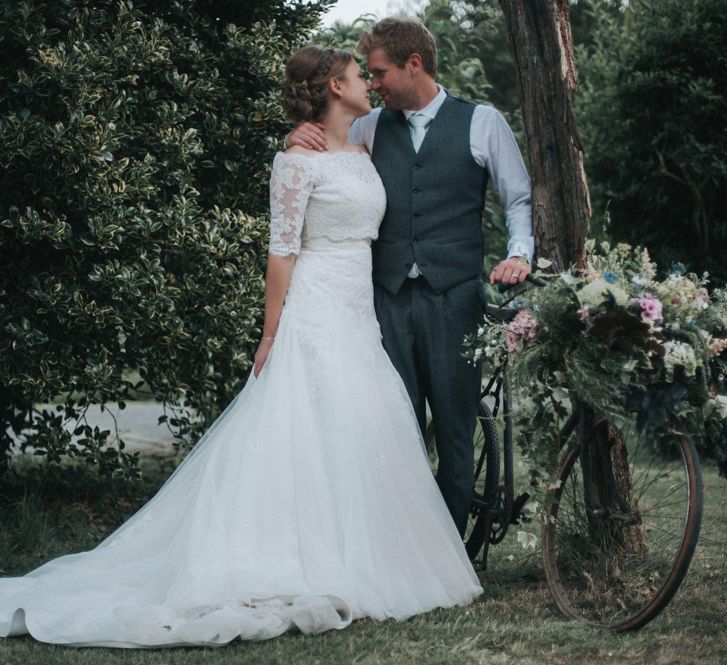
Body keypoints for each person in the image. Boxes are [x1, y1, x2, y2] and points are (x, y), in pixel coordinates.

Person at [0, 46, 482, 648]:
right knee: (304, 432)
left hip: (360, 312)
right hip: (314, 306)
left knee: (357, 433)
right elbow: (282, 252)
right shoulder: (296, 161)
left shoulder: (363, 143)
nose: (369, 83)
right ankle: (294, 560)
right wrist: (271, 333)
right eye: (361, 76)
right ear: (336, 85)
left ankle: (363, 557)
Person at [286, 18, 534, 537]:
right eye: (369, 77)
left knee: (453, 427)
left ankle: (447, 551)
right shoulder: (370, 127)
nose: (373, 85)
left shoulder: (482, 121)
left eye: (380, 74)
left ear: (413, 64)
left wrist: (520, 253)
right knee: (393, 426)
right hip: (386, 298)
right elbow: (321, 161)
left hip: (455, 296)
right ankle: (396, 546)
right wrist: (297, 133)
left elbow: (517, 198)